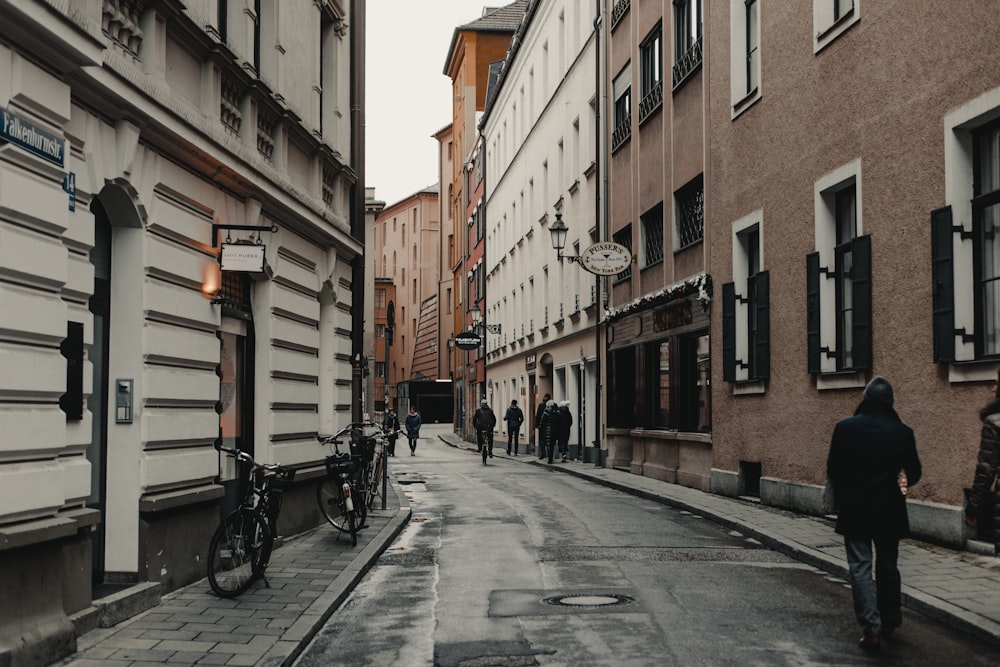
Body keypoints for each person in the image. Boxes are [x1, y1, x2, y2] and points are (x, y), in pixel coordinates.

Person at [827, 376, 921, 652]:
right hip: (890, 510)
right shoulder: (903, 432)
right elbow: (913, 472)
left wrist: (848, 491)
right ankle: (890, 617)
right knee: (888, 566)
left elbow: (834, 468)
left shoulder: (844, 429)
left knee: (860, 568)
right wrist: (900, 483)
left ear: (865, 399)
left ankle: (871, 630)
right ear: (890, 403)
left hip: (856, 509)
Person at [964, 368, 1000, 555]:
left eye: (997, 382)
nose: (994, 388)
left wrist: (973, 509)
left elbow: (986, 470)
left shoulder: (994, 422)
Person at [535, 393, 551, 457]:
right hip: (550, 426)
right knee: (549, 440)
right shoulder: (552, 406)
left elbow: (538, 415)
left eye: (544, 397)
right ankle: (549, 453)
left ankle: (543, 453)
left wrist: (537, 424)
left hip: (542, 426)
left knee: (542, 440)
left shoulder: (541, 405)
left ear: (545, 397)